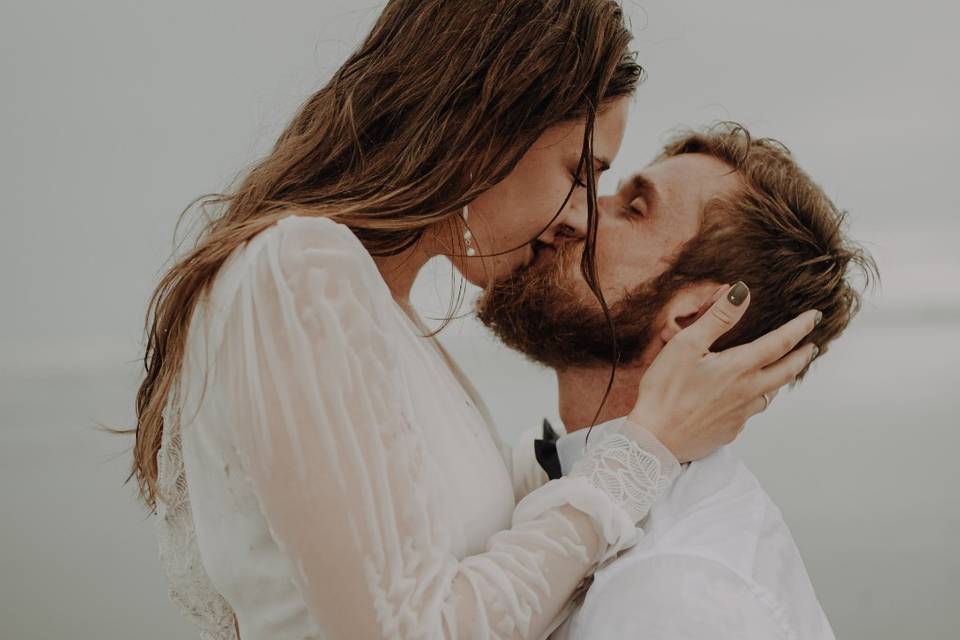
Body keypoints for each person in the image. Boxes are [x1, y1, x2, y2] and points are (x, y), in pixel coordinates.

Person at [129, 4, 819, 639]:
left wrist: (628, 439)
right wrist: (641, 451)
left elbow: (443, 528)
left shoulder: (381, 312)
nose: (580, 214)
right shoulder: (305, 270)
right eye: (577, 170)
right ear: (487, 130)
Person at [477, 124, 877, 639]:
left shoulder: (671, 593)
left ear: (693, 320)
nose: (578, 212)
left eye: (632, 209)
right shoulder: (574, 492)